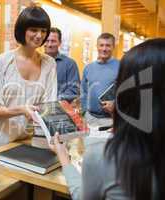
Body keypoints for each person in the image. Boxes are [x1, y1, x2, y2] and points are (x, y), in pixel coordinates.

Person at [50, 38, 165, 200]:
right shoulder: (89, 68)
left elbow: (81, 196)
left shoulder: (103, 157)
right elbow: (83, 92)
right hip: (91, 118)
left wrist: (64, 158)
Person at [0, 6, 57, 153]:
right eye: (34, 29)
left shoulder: (49, 64)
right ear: (22, 30)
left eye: (43, 31)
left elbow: (49, 105)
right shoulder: (2, 62)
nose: (39, 35)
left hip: (21, 140)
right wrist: (22, 110)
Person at [80, 33, 119, 125]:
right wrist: (84, 112)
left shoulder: (122, 67)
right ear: (97, 46)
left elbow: (128, 94)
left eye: (108, 45)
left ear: (113, 47)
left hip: (111, 119)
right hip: (89, 118)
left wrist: (115, 105)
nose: (104, 49)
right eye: (101, 45)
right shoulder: (88, 68)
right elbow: (84, 92)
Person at [44, 27, 80, 102]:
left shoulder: (70, 64)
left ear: (60, 42)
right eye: (47, 41)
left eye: (53, 41)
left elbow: (74, 89)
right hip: (36, 109)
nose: (49, 44)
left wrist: (55, 100)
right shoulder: (36, 61)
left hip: (59, 110)